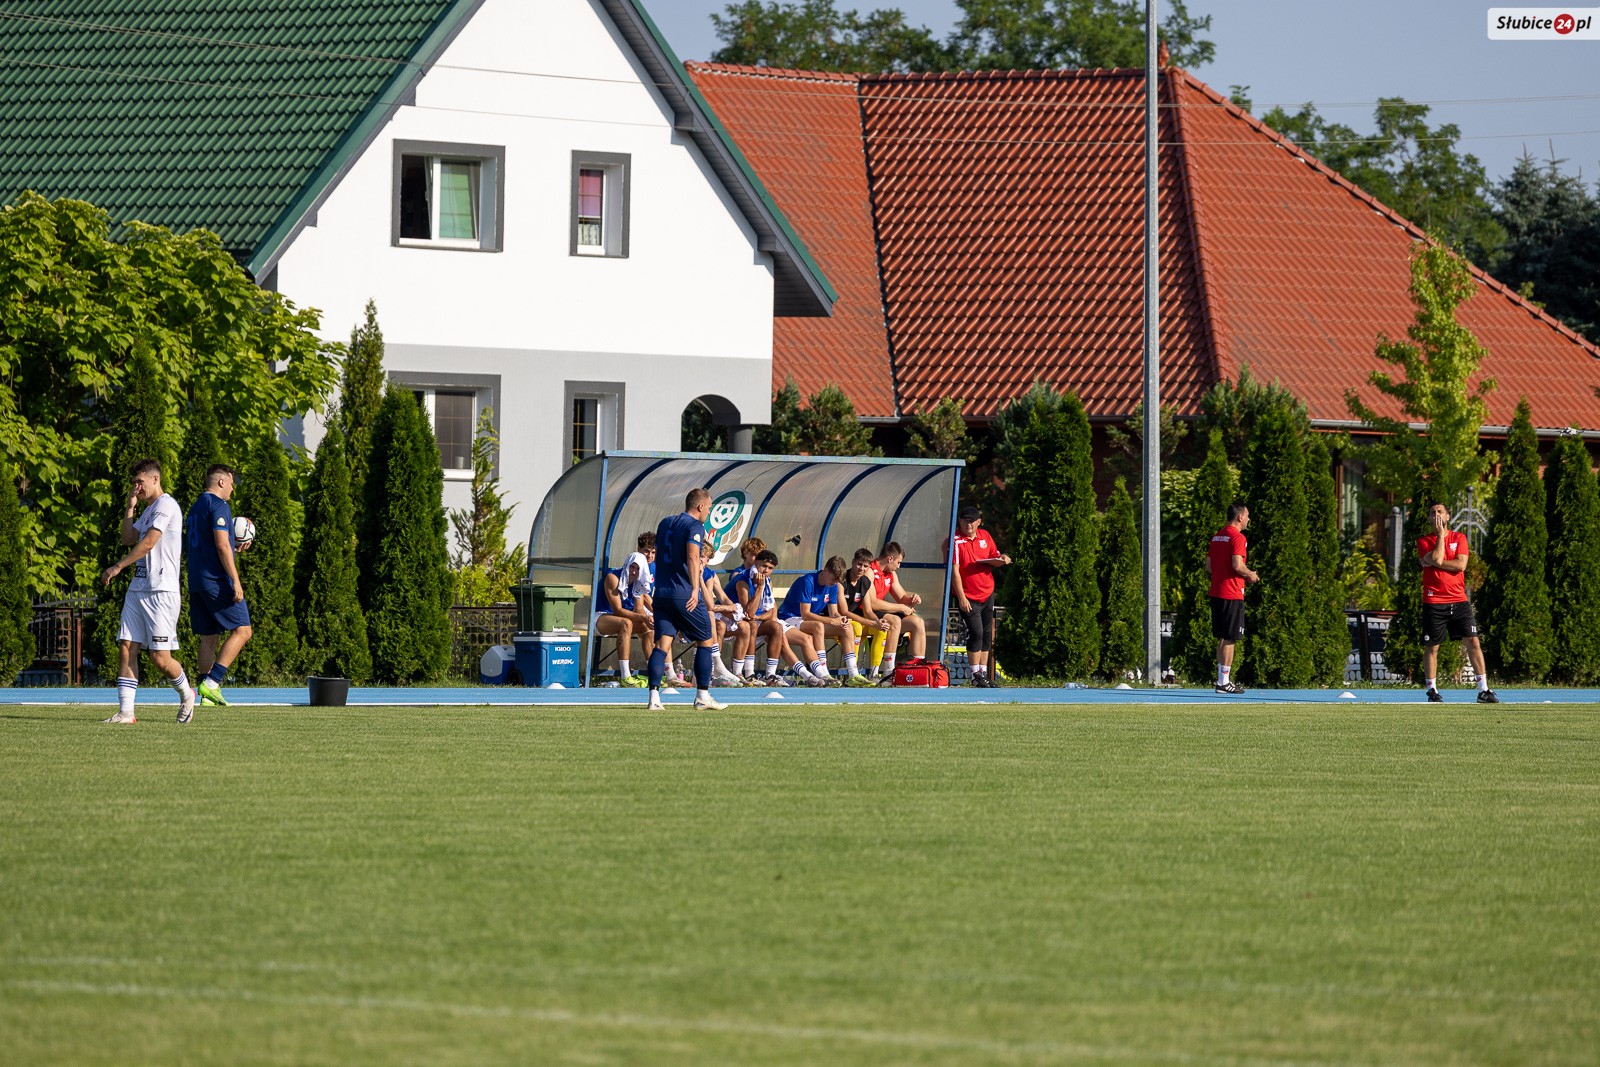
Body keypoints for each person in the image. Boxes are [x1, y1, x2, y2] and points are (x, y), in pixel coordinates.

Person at [100, 458, 196, 724]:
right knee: (126, 646)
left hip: (161, 591)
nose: (137, 487)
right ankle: (126, 713)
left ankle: (187, 694)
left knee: (160, 659)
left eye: (140, 482)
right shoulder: (148, 510)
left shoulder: (166, 505)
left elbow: (149, 543)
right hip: (138, 588)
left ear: (155, 479)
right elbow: (128, 538)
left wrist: (118, 567)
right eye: (134, 483)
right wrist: (130, 508)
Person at [647, 488, 727, 711]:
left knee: (662, 645)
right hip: (683, 593)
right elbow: (692, 556)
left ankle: (654, 699)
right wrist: (694, 589)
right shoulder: (695, 526)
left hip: (661, 593)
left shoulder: (665, 523)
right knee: (706, 640)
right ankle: (702, 696)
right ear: (700, 506)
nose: (709, 512)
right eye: (709, 508)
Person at [185, 464, 253, 707]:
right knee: (243, 631)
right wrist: (235, 580)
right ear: (222, 482)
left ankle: (205, 696)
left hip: (197, 581)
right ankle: (212, 683)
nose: (233, 489)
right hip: (215, 580)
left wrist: (231, 547)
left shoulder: (195, 507)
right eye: (232, 483)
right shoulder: (219, 505)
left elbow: (209, 544)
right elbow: (222, 545)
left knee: (209, 636)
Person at [1418, 502, 1498, 703]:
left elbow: (1461, 565)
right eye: (1433, 513)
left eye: (1440, 512)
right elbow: (1436, 557)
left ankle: (1484, 690)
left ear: (1447, 516)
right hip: (1434, 600)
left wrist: (1436, 563)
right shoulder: (1424, 541)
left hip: (1459, 599)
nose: (1436, 515)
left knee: (1473, 641)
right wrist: (1440, 538)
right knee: (1432, 646)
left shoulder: (1459, 538)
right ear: (1429, 519)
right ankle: (1432, 690)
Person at [779, 556, 873, 686]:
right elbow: (805, 614)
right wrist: (831, 621)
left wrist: (840, 619)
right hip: (788, 618)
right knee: (818, 626)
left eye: (838, 580)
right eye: (834, 579)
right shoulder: (807, 581)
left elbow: (833, 613)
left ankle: (853, 674)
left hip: (808, 621)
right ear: (825, 570)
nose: (835, 582)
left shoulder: (833, 586)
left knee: (847, 628)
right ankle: (823, 673)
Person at [946, 506, 1009, 687]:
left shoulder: (985, 536)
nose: (969, 524)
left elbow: (995, 555)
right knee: (976, 632)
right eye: (965, 520)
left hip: (987, 592)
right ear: (960, 522)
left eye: (972, 521)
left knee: (987, 634)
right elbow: (955, 571)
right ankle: (975, 675)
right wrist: (961, 597)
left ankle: (983, 673)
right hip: (969, 596)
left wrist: (1003, 558)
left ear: (979, 522)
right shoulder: (956, 540)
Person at [1204, 501, 1259, 694]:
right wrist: (1251, 574)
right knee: (1230, 638)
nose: (1248, 519)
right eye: (1247, 516)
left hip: (1217, 592)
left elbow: (1209, 566)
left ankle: (1222, 680)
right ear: (1240, 517)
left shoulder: (1217, 536)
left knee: (1223, 637)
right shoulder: (1238, 537)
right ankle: (1224, 682)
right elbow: (1237, 565)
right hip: (1232, 593)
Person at [842, 548, 899, 684]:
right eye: (859, 564)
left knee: (882, 629)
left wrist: (878, 622)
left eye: (865, 566)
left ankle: (874, 674)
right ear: (853, 562)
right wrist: (871, 623)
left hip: (858, 620)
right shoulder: (842, 580)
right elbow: (844, 612)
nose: (861, 569)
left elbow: (868, 611)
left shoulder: (865, 582)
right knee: (856, 627)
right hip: (841, 621)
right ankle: (852, 674)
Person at [870, 541, 929, 668]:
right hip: (867, 613)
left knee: (917, 622)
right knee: (895, 620)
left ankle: (917, 668)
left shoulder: (891, 574)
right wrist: (901, 608)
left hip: (882, 612)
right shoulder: (870, 570)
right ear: (890, 558)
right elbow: (872, 603)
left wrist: (912, 599)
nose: (899, 566)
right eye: (898, 562)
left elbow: (902, 598)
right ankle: (889, 670)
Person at [594, 563, 653, 687]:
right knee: (626, 623)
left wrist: (650, 619)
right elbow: (617, 610)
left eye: (638, 569)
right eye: (632, 567)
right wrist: (644, 617)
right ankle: (625, 676)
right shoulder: (613, 577)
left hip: (621, 619)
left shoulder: (639, 583)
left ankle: (655, 674)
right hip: (599, 616)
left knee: (649, 627)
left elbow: (639, 609)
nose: (634, 572)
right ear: (626, 565)